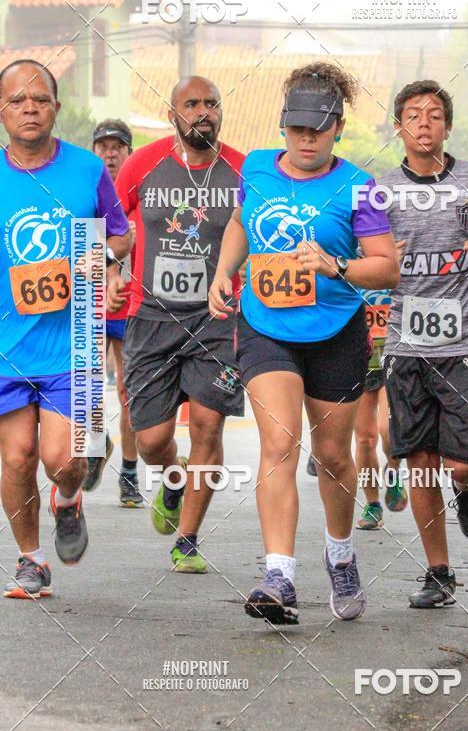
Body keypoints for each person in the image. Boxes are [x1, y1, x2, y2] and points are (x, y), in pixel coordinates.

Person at [209, 61, 399, 625]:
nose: (306, 139)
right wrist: (225, 269)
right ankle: (279, 575)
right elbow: (243, 221)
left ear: (338, 126)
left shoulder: (361, 188)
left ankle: (340, 553)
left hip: (335, 333)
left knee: (336, 456)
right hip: (267, 329)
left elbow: (388, 268)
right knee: (279, 443)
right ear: (283, 126)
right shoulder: (258, 167)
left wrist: (339, 264)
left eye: (318, 129)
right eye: (297, 129)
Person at [0, 59, 131, 599]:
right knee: (15, 458)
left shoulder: (86, 170)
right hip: (6, 346)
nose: (29, 108)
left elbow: (119, 238)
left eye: (40, 99)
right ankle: (31, 560)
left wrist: (97, 259)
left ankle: (69, 498)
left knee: (65, 460)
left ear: (55, 107)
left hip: (75, 339)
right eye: (16, 100)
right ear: (2, 111)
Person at [108, 76, 244, 573]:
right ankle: (171, 478)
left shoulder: (242, 170)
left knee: (207, 425)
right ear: (173, 115)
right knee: (151, 441)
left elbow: (264, 229)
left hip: (218, 321)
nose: (203, 111)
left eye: (211, 102)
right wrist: (108, 270)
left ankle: (187, 540)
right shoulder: (143, 164)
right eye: (192, 104)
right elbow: (111, 225)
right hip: (150, 318)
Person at [382, 79, 468, 608]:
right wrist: (383, 254)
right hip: (405, 344)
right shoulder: (381, 190)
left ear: (447, 126)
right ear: (399, 128)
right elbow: (361, 258)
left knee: (456, 465)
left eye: (434, 114)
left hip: (465, 340)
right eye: (413, 115)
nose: (424, 123)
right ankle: (438, 572)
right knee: (419, 461)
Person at [84, 119, 142, 506]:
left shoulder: (140, 194)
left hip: (129, 303)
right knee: (85, 383)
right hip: (90, 303)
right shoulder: (83, 192)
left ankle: (130, 470)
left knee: (128, 389)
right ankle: (95, 442)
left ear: (128, 152)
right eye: (102, 146)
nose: (109, 153)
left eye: (117, 146)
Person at [354, 286, 407, 530]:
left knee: (387, 430)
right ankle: (372, 503)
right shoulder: (346, 254)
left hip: (393, 351)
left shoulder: (396, 252)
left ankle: (394, 468)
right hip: (358, 354)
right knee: (365, 439)